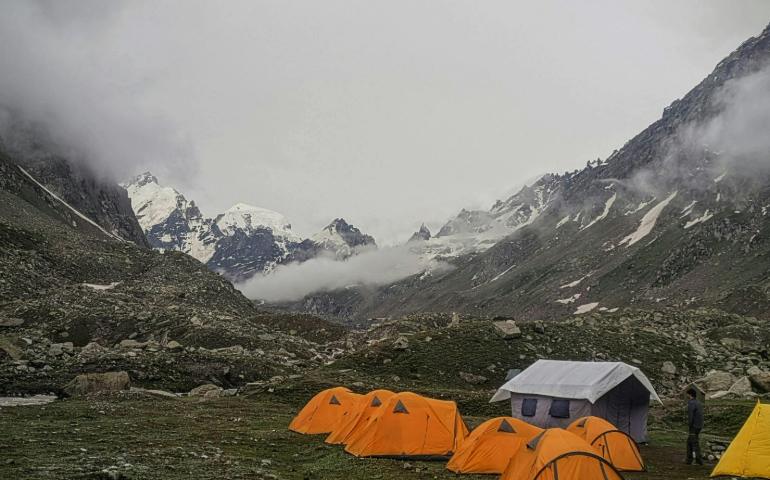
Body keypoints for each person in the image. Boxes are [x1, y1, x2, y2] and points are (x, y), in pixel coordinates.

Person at [686, 388, 704, 465]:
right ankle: (689, 459)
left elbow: (691, 415)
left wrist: (690, 425)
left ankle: (698, 460)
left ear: (690, 394)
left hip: (694, 426)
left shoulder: (691, 403)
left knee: (694, 442)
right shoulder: (698, 402)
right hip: (699, 425)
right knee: (689, 441)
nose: (687, 396)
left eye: (687, 394)